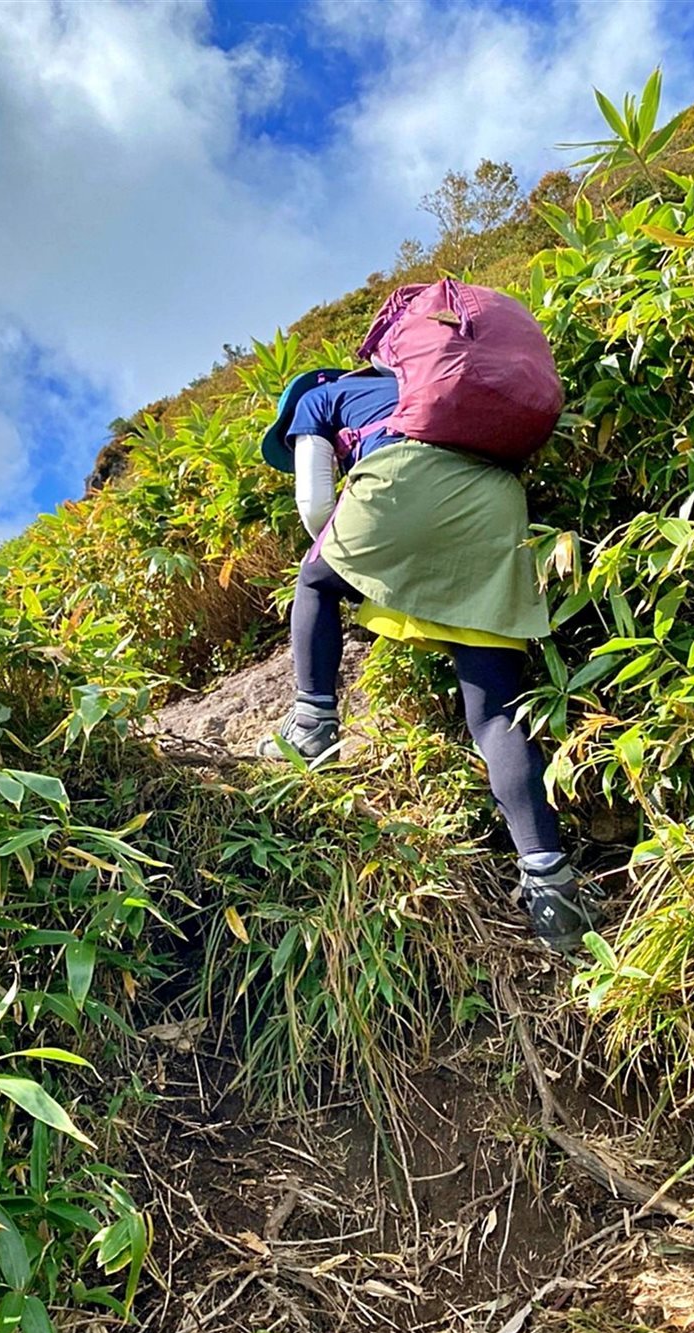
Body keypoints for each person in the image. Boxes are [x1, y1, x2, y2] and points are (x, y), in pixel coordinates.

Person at [258, 366, 595, 953]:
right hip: (496, 505)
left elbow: (315, 503)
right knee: (494, 714)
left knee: (314, 581)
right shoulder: (429, 386)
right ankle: (551, 886)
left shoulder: (319, 397)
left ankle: (312, 725)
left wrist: (351, 566)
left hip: (403, 480)